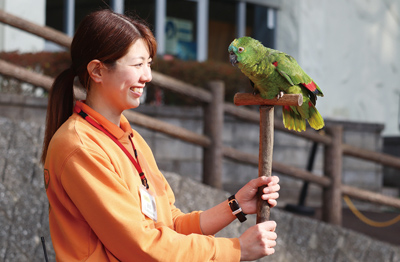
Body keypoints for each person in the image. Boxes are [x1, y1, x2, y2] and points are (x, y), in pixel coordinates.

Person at [41, 9, 280, 262]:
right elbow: (141, 245)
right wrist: (236, 250)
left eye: (149, 64)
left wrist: (236, 205)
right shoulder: (80, 147)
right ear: (97, 71)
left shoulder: (131, 139)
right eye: (137, 64)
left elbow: (170, 224)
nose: (147, 76)